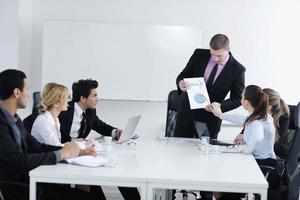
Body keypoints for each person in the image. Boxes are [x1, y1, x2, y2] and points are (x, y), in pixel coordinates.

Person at [0, 69, 94, 200]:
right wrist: (61, 154)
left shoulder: (15, 120)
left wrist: (74, 151)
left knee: (90, 194)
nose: (28, 95)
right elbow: (19, 161)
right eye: (26, 90)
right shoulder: (2, 124)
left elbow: (36, 146)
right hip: (22, 188)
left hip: (32, 180)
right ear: (16, 92)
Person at [58, 79, 141, 200]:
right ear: (83, 98)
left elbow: (100, 125)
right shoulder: (64, 111)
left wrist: (115, 132)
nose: (98, 98)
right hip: (67, 154)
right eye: (94, 95)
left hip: (81, 153)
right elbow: (56, 140)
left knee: (118, 169)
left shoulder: (90, 111)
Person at [211, 85, 279, 200]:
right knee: (221, 184)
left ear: (246, 103)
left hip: (264, 171)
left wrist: (246, 149)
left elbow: (258, 136)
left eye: (241, 97)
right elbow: (242, 120)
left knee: (219, 189)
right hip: (265, 165)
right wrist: (220, 115)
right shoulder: (262, 117)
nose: (240, 99)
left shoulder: (256, 121)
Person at [175, 33, 245, 139]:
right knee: (178, 151)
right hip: (186, 115)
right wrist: (180, 83)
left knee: (205, 154)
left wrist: (221, 106)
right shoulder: (199, 54)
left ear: (228, 49)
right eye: (212, 54)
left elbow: (237, 99)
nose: (215, 59)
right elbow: (183, 75)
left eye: (219, 55)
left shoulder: (238, 70)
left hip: (210, 120)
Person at [234, 88, 290, 159]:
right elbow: (248, 126)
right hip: (259, 154)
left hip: (276, 156)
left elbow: (275, 145)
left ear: (268, 106)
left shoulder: (283, 118)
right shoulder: (258, 115)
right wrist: (242, 135)